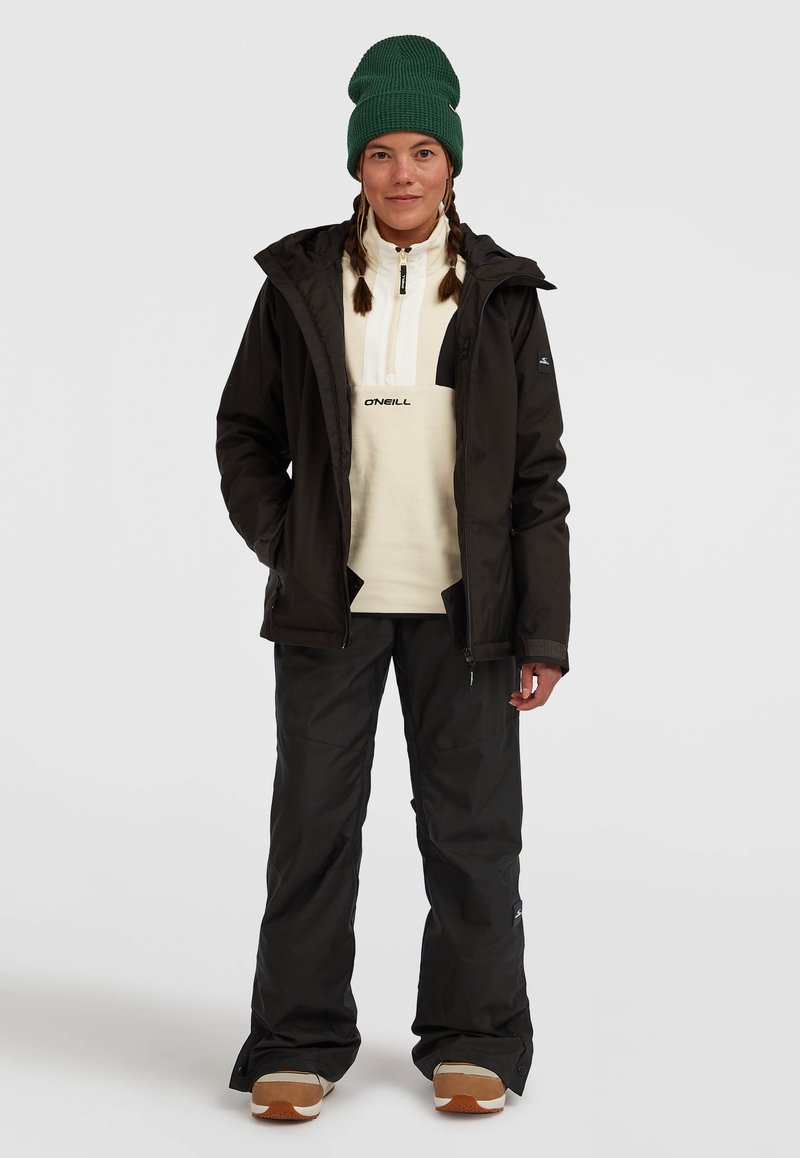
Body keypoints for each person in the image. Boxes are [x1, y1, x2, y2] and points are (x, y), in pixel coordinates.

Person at [215, 33, 571, 1121]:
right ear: (356, 165)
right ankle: (296, 1038)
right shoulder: (301, 282)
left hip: (469, 616)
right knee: (312, 828)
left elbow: (537, 478)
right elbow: (244, 434)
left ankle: (476, 1036)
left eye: (423, 150)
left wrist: (542, 633)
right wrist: (293, 544)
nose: (402, 173)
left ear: (451, 162)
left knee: (472, 834)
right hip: (333, 607)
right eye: (381, 152)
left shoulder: (501, 295)